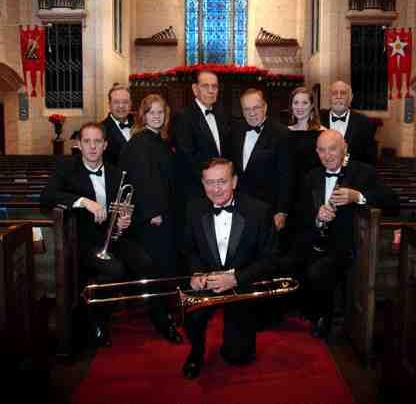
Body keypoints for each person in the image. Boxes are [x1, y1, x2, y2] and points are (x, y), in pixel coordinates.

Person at [40, 122, 153, 348]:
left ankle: (149, 316)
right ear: (79, 145)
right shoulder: (66, 168)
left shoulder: (115, 172)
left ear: (105, 145)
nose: (92, 147)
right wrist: (84, 202)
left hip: (113, 237)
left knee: (145, 261)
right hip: (84, 241)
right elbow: (47, 196)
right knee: (115, 270)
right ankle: (97, 319)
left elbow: (123, 206)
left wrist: (124, 219)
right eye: (87, 141)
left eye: (97, 141)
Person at [287, 129, 398, 340]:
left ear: (345, 148)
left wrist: (358, 196)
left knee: (320, 269)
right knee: (289, 260)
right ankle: (310, 312)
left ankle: (329, 319)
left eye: (332, 149)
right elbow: (299, 214)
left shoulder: (363, 172)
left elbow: (392, 201)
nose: (327, 156)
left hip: (350, 244)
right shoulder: (311, 176)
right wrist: (317, 216)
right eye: (321, 150)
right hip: (317, 240)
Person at [181, 158, 277, 379]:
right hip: (209, 279)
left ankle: (236, 341)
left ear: (234, 181)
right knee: (193, 316)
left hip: (241, 282)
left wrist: (236, 279)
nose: (216, 189)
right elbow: (190, 249)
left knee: (238, 357)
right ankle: (196, 352)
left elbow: (270, 259)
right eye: (210, 182)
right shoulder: (193, 208)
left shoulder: (259, 211)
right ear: (203, 183)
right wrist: (196, 273)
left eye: (222, 182)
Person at [119, 93, 182, 344]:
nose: (157, 116)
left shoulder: (159, 140)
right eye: (152, 112)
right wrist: (153, 213)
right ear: (142, 115)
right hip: (152, 219)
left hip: (165, 215)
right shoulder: (140, 142)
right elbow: (141, 180)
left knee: (165, 267)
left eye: (161, 112)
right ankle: (161, 320)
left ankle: (165, 312)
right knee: (157, 270)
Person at [231, 88, 291, 233]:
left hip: (268, 208)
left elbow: (287, 176)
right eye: (246, 109)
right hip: (239, 207)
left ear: (265, 107)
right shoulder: (235, 131)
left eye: (255, 108)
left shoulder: (282, 134)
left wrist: (282, 211)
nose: (251, 113)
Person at [172, 70, 231, 202]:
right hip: (197, 190)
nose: (211, 90)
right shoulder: (183, 117)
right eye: (205, 86)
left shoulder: (222, 114)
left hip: (221, 189)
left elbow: (226, 151)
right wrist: (212, 181)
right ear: (195, 89)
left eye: (214, 86)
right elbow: (187, 158)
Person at [284, 87, 326, 250]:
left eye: (304, 102)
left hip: (314, 193)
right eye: (296, 102)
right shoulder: (284, 133)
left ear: (311, 106)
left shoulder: (323, 133)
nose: (299, 107)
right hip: (290, 193)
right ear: (291, 106)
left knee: (311, 242)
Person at [320, 80, 377, 164]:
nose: (338, 96)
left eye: (343, 93)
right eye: (334, 93)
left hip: (354, 175)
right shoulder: (317, 121)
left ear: (350, 98)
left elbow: (369, 159)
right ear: (329, 97)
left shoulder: (365, 123)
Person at [101, 83, 134, 166]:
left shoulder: (139, 126)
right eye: (116, 102)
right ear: (109, 105)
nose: (121, 106)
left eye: (125, 102)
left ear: (130, 104)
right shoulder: (101, 130)